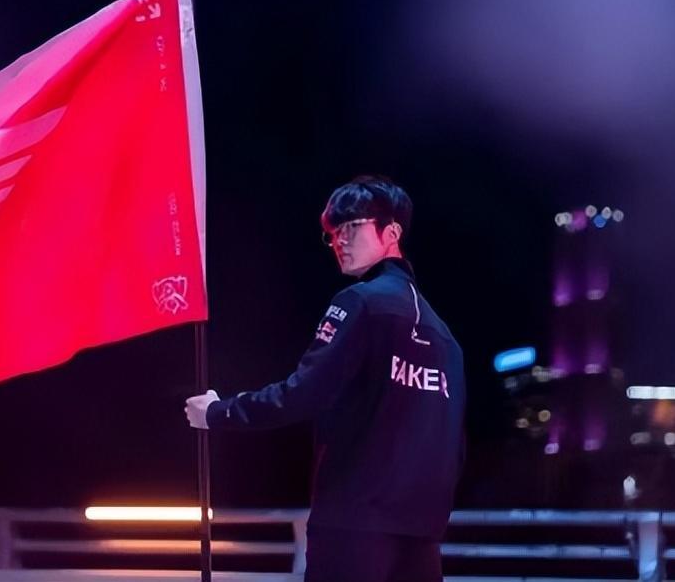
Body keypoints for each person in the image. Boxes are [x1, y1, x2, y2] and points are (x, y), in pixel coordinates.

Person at [185, 175, 465, 582]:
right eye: (333, 232)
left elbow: (302, 393)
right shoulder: (445, 338)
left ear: (391, 232)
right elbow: (455, 442)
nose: (339, 241)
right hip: (422, 537)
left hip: (353, 527)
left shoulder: (360, 303)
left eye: (352, 226)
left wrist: (218, 412)